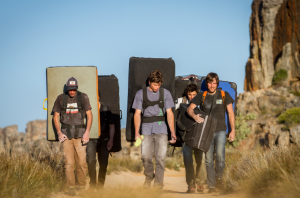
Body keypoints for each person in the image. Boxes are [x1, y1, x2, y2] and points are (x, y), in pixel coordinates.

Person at [187, 72, 235, 193]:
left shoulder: (224, 95)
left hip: (220, 130)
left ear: (217, 83)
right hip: (206, 132)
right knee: (208, 160)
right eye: (210, 83)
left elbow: (230, 113)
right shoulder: (202, 95)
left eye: (214, 83)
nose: (212, 86)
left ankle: (219, 179)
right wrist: (195, 117)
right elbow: (189, 109)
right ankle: (212, 186)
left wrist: (232, 130)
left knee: (220, 157)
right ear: (207, 84)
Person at [132, 69, 176, 189]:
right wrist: (136, 132)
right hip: (146, 129)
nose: (157, 87)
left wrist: (172, 132)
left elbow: (169, 113)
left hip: (161, 128)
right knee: (145, 156)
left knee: (160, 157)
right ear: (150, 82)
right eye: (155, 84)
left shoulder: (165, 93)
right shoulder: (140, 94)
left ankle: (158, 185)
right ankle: (149, 176)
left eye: (159, 85)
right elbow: (137, 114)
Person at [52, 77, 93, 196]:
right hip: (66, 136)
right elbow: (55, 116)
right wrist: (59, 132)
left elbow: (89, 116)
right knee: (68, 163)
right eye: (70, 89)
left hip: (80, 135)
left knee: (81, 162)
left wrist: (87, 132)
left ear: (77, 88)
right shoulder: (61, 98)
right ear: (67, 88)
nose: (72, 92)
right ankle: (71, 187)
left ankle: (81, 185)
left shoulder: (83, 97)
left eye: (74, 89)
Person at [178, 83, 206, 193]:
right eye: (189, 94)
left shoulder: (202, 104)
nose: (191, 96)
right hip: (186, 138)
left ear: (197, 94)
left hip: (199, 137)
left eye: (194, 94)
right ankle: (191, 185)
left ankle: (200, 183)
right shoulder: (182, 104)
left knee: (200, 160)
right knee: (188, 161)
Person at [86, 91, 115, 190]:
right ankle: (92, 185)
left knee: (103, 164)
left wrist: (111, 140)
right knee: (90, 161)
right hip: (90, 139)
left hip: (104, 140)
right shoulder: (87, 109)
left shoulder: (106, 109)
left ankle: (100, 187)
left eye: (96, 95)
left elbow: (112, 126)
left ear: (99, 96)